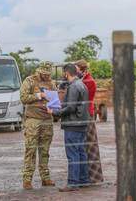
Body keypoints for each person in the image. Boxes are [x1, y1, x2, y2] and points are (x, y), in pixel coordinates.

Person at [48, 63, 90, 192]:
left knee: (72, 154)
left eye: (63, 73)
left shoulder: (73, 87)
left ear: (67, 73)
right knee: (81, 152)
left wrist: (54, 112)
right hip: (82, 123)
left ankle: (73, 183)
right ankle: (84, 180)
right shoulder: (82, 85)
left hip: (72, 124)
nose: (63, 76)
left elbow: (70, 107)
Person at [20, 61, 56, 190]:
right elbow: (23, 98)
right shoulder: (29, 81)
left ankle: (45, 178)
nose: (46, 76)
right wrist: (38, 95)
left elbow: (55, 101)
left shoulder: (52, 83)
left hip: (47, 120)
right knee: (31, 149)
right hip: (33, 120)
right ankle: (27, 179)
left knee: (45, 150)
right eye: (44, 74)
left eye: (48, 74)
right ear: (39, 71)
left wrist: (54, 106)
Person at [75, 59, 104, 183]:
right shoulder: (80, 80)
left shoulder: (89, 81)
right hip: (81, 114)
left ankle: (92, 177)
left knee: (90, 145)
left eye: (76, 69)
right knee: (82, 145)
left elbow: (84, 99)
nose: (75, 72)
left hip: (87, 114)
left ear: (83, 70)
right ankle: (84, 176)